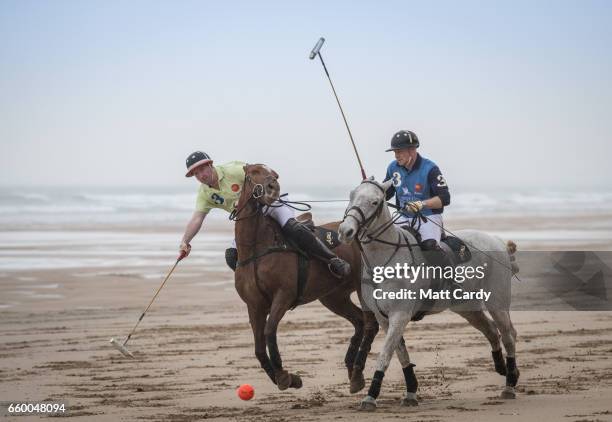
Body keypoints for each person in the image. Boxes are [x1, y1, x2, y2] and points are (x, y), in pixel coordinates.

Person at [179, 151, 350, 278]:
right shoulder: (204, 193)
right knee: (232, 256)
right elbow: (197, 218)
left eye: (202, 169)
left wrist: (263, 195)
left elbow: (265, 173)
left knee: (292, 228)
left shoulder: (234, 170)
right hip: (249, 220)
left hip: (271, 205)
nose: (201, 175)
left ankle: (334, 260)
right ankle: (256, 287)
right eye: (196, 173)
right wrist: (185, 242)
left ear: (210, 165)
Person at [383, 130, 452, 270]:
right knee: (386, 243)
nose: (396, 155)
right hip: (402, 216)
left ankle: (452, 282)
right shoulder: (392, 167)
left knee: (429, 248)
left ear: (412, 150)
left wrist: (422, 204)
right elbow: (386, 194)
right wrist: (371, 189)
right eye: (394, 152)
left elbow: (445, 198)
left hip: (428, 216)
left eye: (400, 151)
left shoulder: (430, 168)